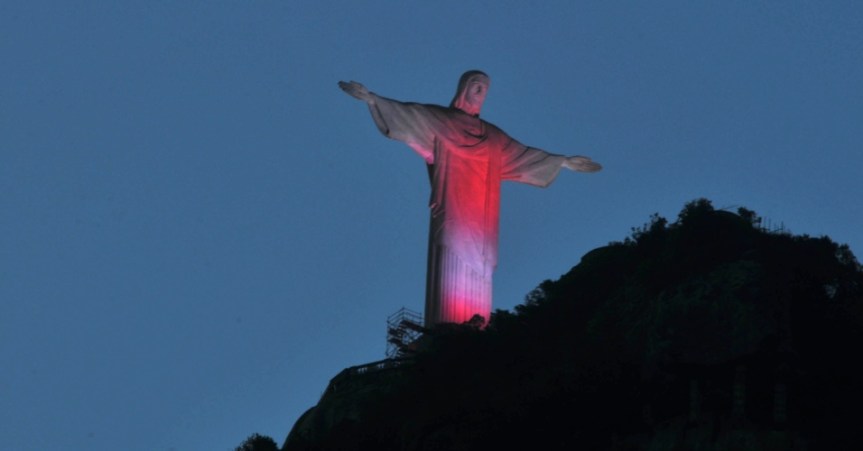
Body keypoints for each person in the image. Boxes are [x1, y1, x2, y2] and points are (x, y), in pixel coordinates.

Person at [339, 70, 600, 327]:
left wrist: (562, 162)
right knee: (451, 258)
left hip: (482, 220)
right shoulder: (442, 120)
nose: (480, 92)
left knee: (481, 269)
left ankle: (471, 335)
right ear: (463, 89)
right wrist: (373, 99)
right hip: (453, 208)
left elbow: (524, 156)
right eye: (476, 85)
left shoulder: (494, 137)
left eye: (484, 88)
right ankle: (446, 331)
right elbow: (410, 115)